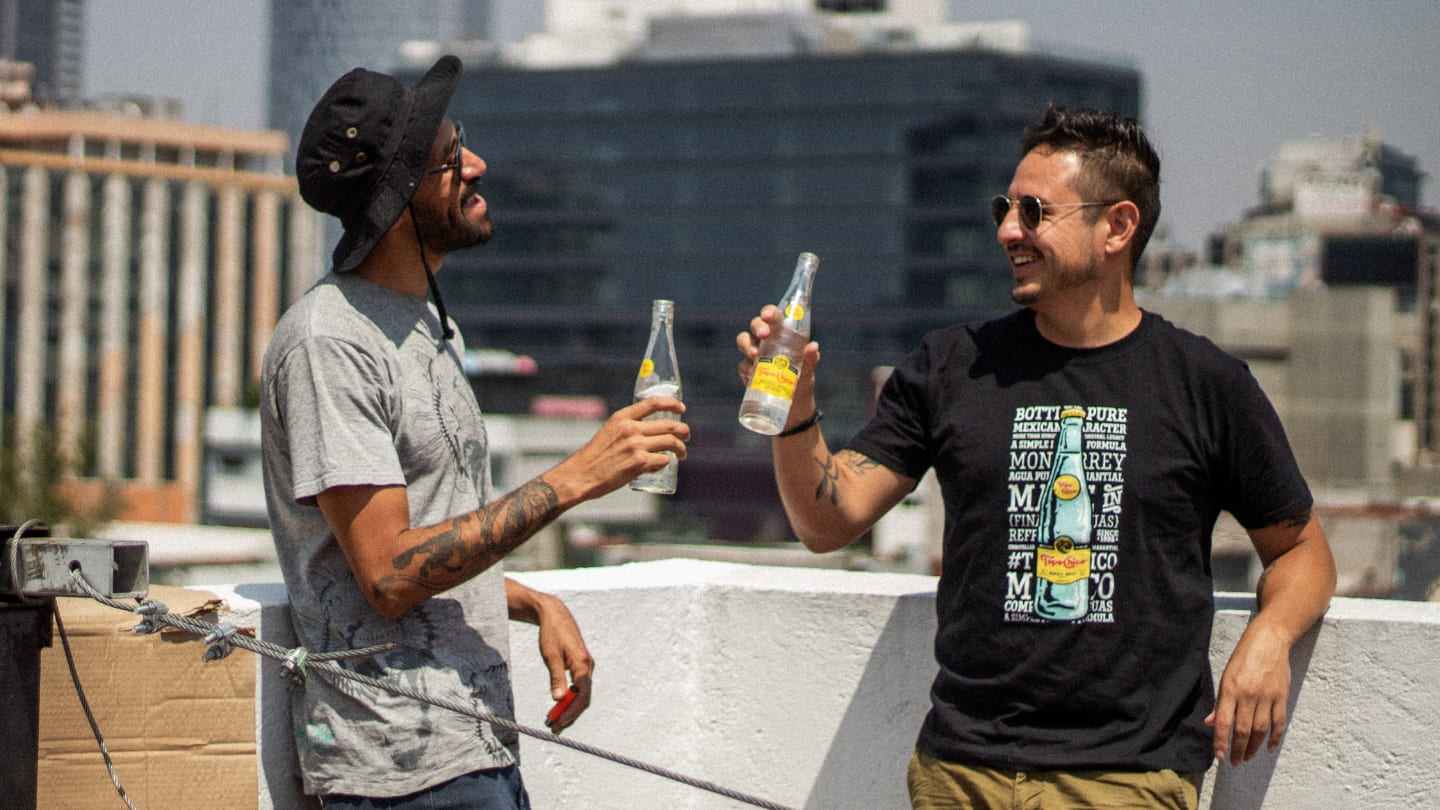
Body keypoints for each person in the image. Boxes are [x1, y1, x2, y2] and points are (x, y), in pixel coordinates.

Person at [736, 105, 1336, 809]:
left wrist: (1269, 636)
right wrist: (795, 412)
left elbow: (1301, 550)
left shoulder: (1204, 384)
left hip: (1125, 780)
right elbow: (828, 521)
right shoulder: (951, 366)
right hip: (959, 771)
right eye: (1005, 207)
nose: (1007, 230)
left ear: (1116, 227)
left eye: (1033, 210)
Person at [261, 55, 689, 808]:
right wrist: (574, 478)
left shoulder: (426, 328)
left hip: (474, 749)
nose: (478, 165)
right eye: (452, 158)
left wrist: (532, 604)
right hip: (399, 775)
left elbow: (428, 531)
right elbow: (390, 573)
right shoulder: (330, 344)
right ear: (397, 199)